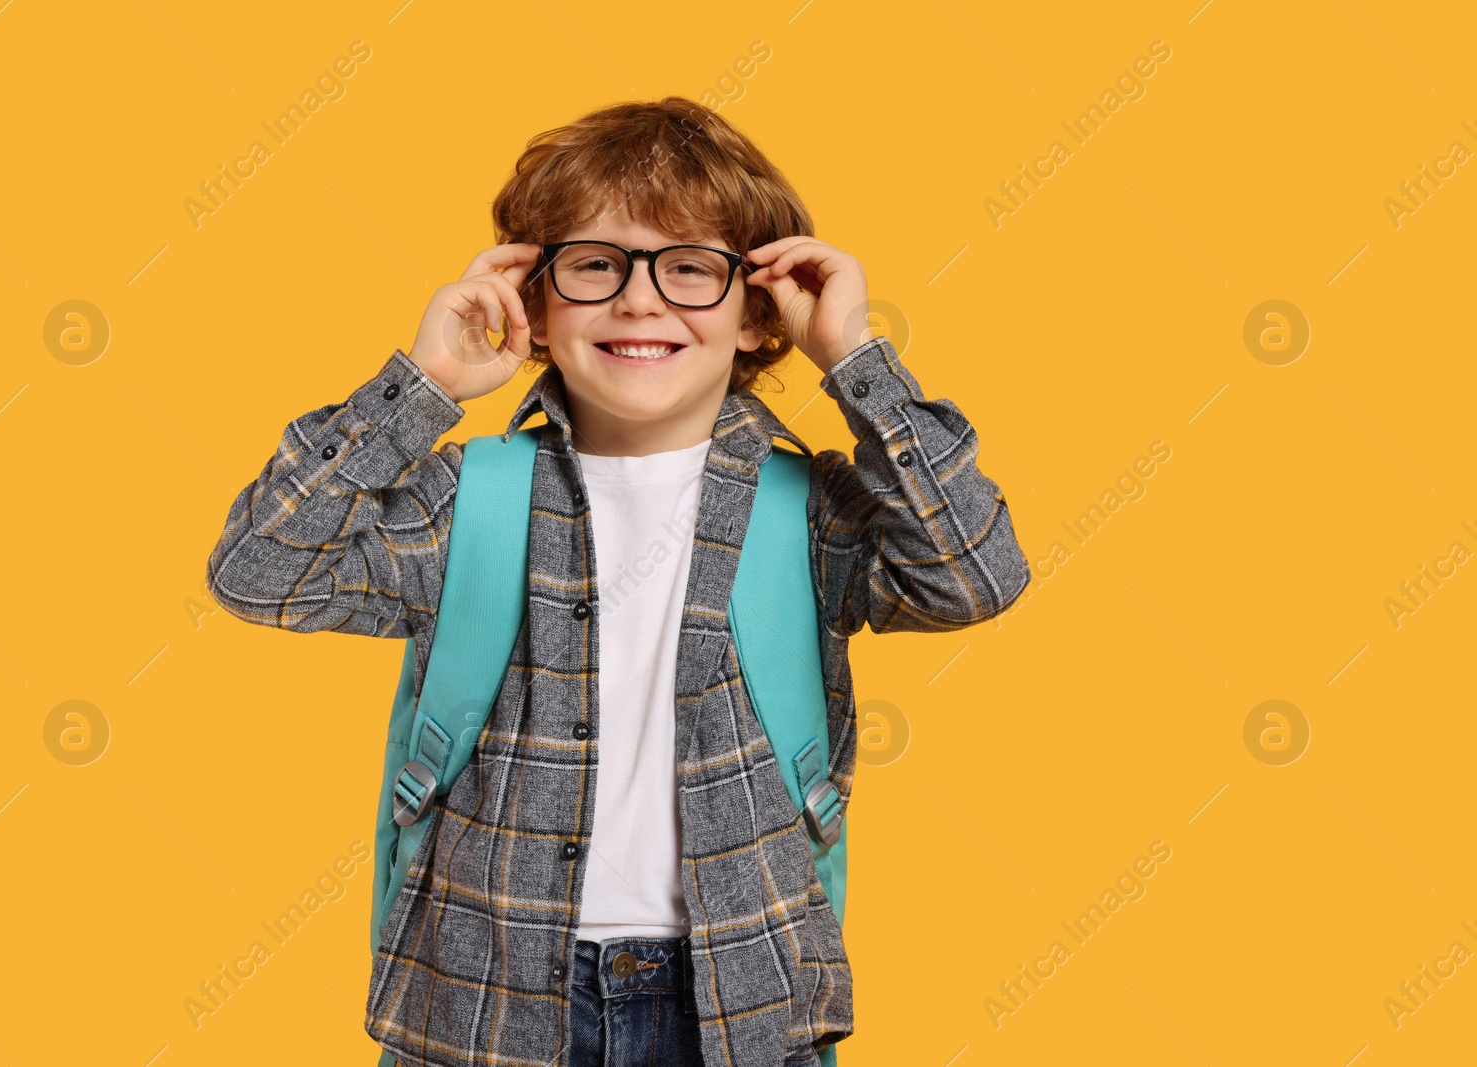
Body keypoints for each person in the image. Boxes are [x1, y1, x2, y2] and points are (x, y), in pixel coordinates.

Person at [205, 96, 1031, 1067]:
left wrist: (854, 357)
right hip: (482, 1002)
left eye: (690, 266)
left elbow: (974, 573)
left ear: (757, 308)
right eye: (596, 264)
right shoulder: (463, 501)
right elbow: (258, 570)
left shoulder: (810, 512)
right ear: (535, 300)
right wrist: (422, 383)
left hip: (742, 1005)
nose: (641, 300)